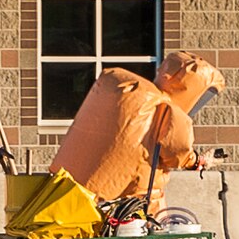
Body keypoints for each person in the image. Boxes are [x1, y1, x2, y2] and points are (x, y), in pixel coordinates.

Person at [49, 50, 224, 211]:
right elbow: (177, 151)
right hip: (131, 192)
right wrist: (195, 162)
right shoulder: (167, 110)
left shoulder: (126, 86)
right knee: (152, 224)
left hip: (73, 184)